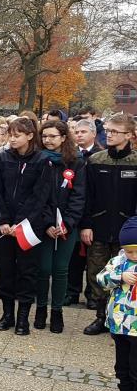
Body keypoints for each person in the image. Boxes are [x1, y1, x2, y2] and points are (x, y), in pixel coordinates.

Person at [0, 117, 52, 335]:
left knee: (27, 271)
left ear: (30, 136)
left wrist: (20, 222)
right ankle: (7, 313)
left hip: (28, 226)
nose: (12, 139)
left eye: (17, 135)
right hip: (5, 226)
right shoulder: (4, 158)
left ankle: (23, 317)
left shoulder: (42, 160)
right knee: (6, 270)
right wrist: (2, 220)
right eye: (10, 135)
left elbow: (40, 196)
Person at [80, 113, 137, 335]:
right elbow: (86, 196)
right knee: (98, 273)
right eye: (108, 130)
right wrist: (86, 224)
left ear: (129, 135)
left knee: (127, 273)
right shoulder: (96, 160)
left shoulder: (135, 161)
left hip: (128, 231)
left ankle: (122, 318)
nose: (109, 135)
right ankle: (101, 317)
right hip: (99, 227)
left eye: (115, 131)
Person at [35, 120, 86, 333]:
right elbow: (37, 195)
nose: (48, 140)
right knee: (43, 267)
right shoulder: (38, 159)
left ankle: (57, 311)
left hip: (67, 224)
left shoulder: (76, 162)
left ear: (63, 138)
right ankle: (40, 308)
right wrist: (47, 222)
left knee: (60, 269)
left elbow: (79, 195)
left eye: (53, 136)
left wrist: (68, 222)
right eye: (45, 136)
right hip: (43, 224)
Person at [96, 216, 137, 391]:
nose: (134, 256)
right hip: (120, 324)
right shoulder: (117, 262)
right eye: (129, 251)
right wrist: (120, 277)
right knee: (122, 365)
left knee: (136, 366)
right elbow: (101, 279)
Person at [66, 118, 102, 308]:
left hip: (94, 212)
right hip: (74, 211)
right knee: (73, 257)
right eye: (77, 132)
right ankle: (71, 292)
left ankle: (92, 294)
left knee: (94, 258)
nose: (79, 135)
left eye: (83, 132)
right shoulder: (70, 155)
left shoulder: (100, 155)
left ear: (93, 134)